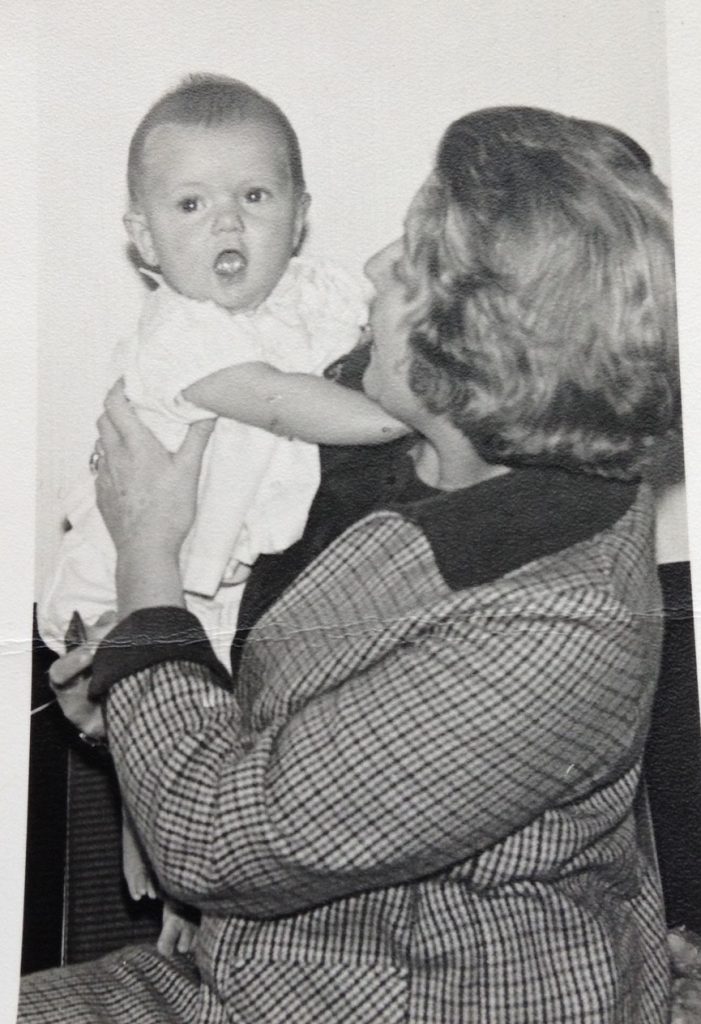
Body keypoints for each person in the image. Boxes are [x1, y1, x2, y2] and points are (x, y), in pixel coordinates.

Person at [20, 106, 679, 1023]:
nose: (370, 268)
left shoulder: (555, 618)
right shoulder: (395, 445)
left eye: (409, 261)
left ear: (483, 338)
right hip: (260, 959)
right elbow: (274, 693)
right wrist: (119, 706)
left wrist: (145, 561)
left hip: (412, 996)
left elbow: (214, 840)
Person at [36, 73, 405, 953]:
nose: (228, 225)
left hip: (235, 577)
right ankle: (158, 853)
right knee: (177, 720)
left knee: (225, 735)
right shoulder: (182, 330)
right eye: (192, 204)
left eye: (255, 196)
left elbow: (381, 306)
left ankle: (175, 867)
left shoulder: (312, 294)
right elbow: (277, 402)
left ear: (300, 211)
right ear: (145, 239)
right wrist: (398, 415)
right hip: (139, 583)